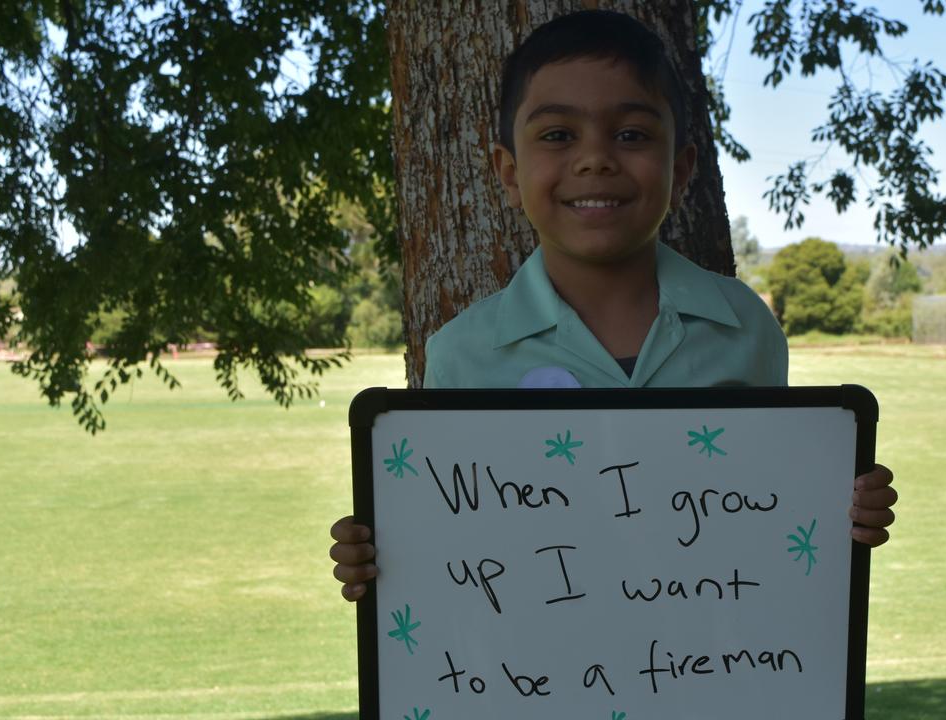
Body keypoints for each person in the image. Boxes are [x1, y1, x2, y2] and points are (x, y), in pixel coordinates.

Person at [330, 9, 897, 601]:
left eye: (631, 134)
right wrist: (382, 555)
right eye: (557, 135)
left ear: (680, 171)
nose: (595, 158)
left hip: (717, 667)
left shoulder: (744, 326)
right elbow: (451, 542)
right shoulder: (461, 354)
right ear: (508, 172)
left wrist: (842, 509)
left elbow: (774, 508)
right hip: (534, 679)